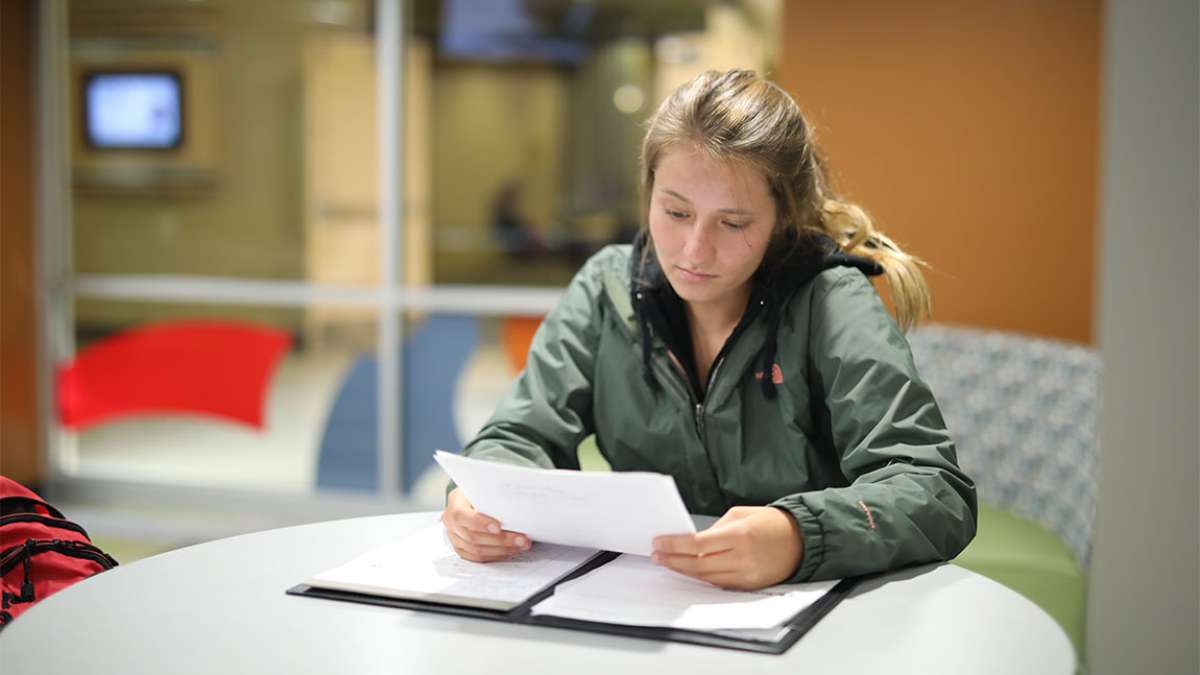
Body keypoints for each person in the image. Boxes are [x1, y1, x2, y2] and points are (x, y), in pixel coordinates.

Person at [442, 69, 977, 590]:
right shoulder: (605, 290)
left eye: (733, 223)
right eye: (676, 213)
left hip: (810, 611)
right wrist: (477, 499)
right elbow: (519, 436)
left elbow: (933, 488)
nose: (695, 251)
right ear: (649, 192)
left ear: (782, 219)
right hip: (651, 602)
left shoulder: (830, 302)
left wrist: (798, 535)